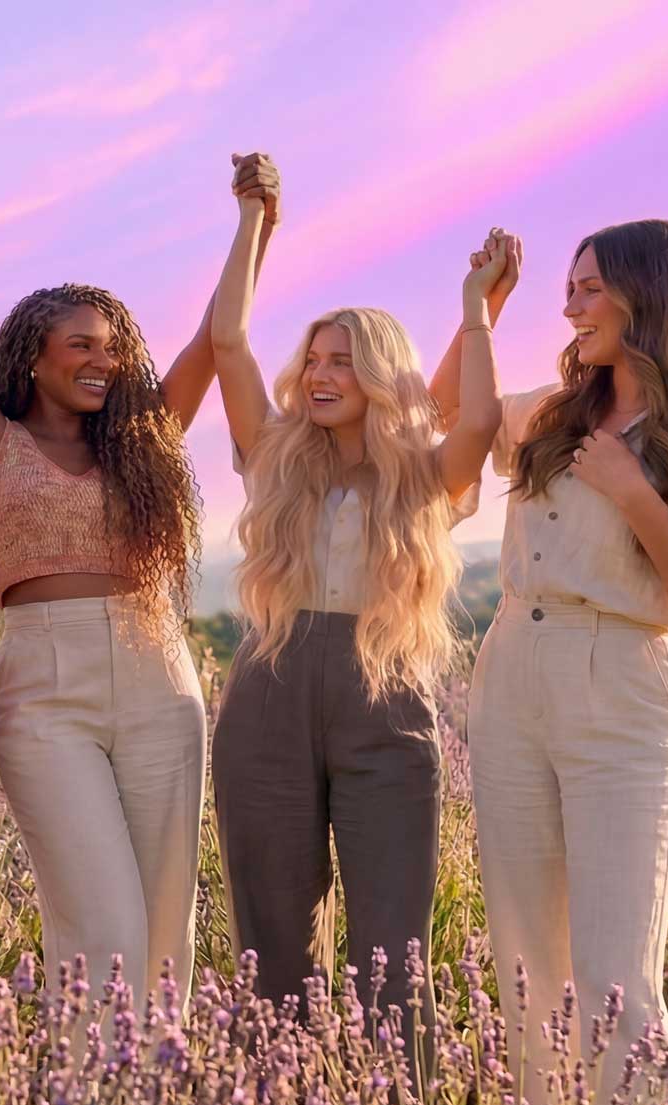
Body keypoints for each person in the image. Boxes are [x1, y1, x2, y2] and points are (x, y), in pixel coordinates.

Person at [0, 81, 279, 1011]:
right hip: (46, 694)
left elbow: (216, 334)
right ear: (35, 354)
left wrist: (255, 222)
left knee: (165, 933)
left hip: (160, 679)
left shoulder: (145, 432)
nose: (103, 362)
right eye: (83, 344)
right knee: (103, 932)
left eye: (112, 348)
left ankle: (153, 1102)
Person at [432, 220, 668, 1105]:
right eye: (570, 288)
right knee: (527, 976)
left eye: (590, 288)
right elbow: (450, 414)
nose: (572, 303)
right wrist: (481, 310)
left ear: (648, 295)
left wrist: (633, 492)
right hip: (511, 676)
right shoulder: (555, 413)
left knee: (617, 982)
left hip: (622, 683)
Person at [207, 156, 512, 1051]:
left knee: (393, 947)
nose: (320, 371)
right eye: (313, 357)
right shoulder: (273, 453)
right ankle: (277, 1101)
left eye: (343, 360)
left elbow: (483, 424)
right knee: (273, 951)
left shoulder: (420, 476)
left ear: (380, 374)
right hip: (269, 692)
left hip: (386, 697)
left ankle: (393, 1104)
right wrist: (255, 222)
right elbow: (228, 341)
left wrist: (473, 313)